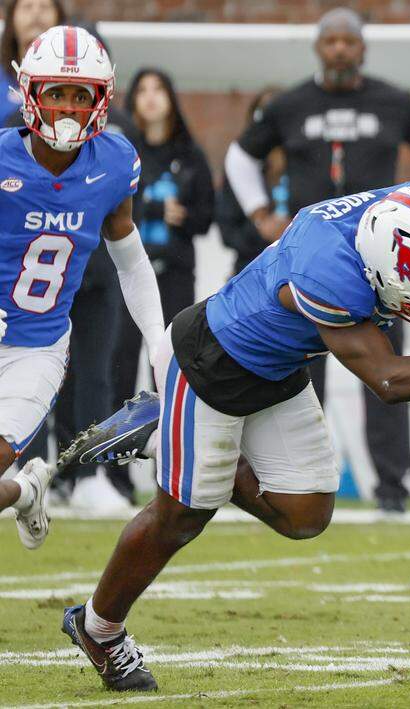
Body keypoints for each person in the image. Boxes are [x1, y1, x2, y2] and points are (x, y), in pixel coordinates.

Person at [60, 179, 410, 691]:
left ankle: (171, 439)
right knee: (182, 516)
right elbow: (390, 379)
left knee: (306, 515)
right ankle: (99, 628)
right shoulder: (327, 272)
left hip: (280, 366)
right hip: (211, 365)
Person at [225, 7, 410, 512]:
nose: (341, 49)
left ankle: (392, 487)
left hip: (385, 262)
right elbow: (241, 156)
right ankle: (295, 480)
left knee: (386, 370)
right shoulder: (289, 104)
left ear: (363, 48)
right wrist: (261, 213)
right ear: (318, 48)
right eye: (332, 41)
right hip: (309, 261)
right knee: (300, 371)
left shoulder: (395, 101)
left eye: (350, 41)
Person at [0, 26, 164, 548]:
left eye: (80, 95)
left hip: (36, 348)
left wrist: (159, 343)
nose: (68, 107)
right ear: (32, 94)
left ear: (100, 101)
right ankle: (25, 491)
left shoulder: (113, 163)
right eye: (56, 93)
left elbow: (131, 262)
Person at [112, 68, 215, 409]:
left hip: (175, 273)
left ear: (171, 98)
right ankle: (115, 463)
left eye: (159, 89)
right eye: (142, 90)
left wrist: (183, 215)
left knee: (172, 365)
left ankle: (171, 454)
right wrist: (154, 208)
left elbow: (205, 218)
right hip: (128, 273)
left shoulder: (190, 154)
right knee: (120, 367)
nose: (151, 97)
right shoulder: (121, 151)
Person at [216, 88, 282, 275]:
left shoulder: (305, 167)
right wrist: (262, 229)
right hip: (250, 269)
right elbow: (227, 232)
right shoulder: (239, 166)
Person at [0, 0, 63, 124]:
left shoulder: (77, 78)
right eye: (27, 7)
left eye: (44, 7)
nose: (36, 12)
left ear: (59, 17)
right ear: (12, 18)